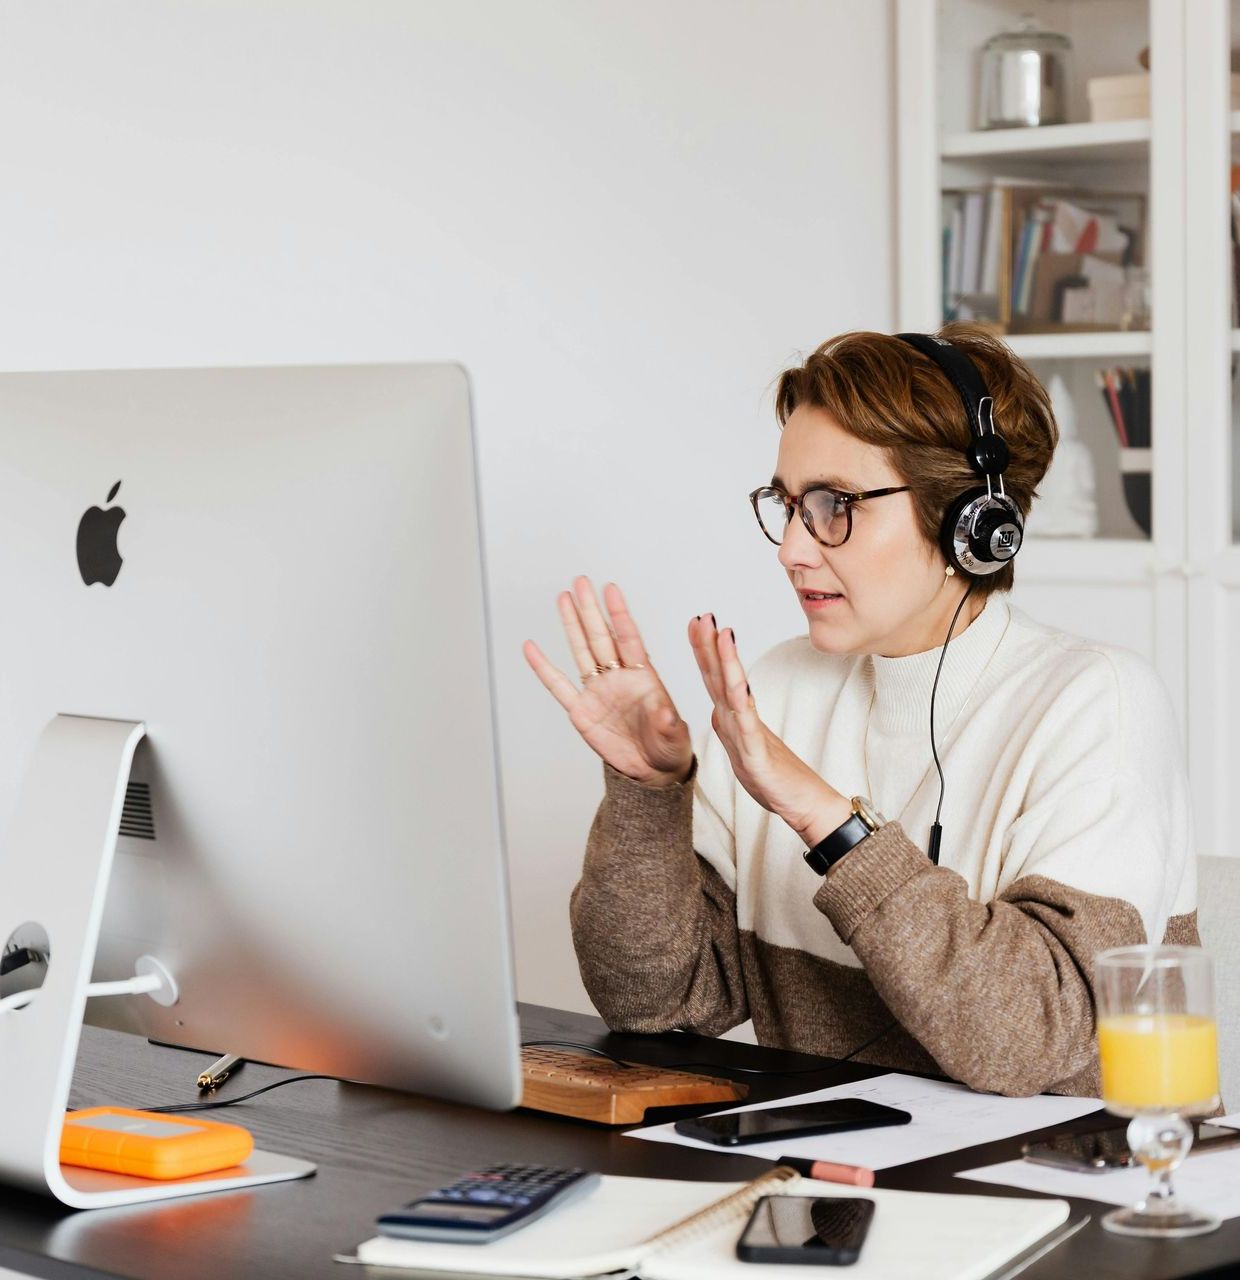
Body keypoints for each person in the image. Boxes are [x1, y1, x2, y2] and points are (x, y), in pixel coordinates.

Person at [522, 324, 1197, 1098]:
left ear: (969, 520)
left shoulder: (1096, 703)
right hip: (842, 1193)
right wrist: (647, 792)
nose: (792, 549)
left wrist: (826, 819)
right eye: (787, 505)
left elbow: (1029, 1042)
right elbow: (654, 999)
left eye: (834, 504)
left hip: (1081, 1194)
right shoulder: (776, 689)